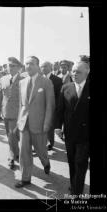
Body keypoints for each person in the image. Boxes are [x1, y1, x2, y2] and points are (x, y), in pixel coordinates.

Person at [15, 56, 55, 188]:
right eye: (26, 64)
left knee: (41, 150)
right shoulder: (22, 82)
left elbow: (50, 105)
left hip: (39, 124)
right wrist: (18, 121)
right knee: (24, 151)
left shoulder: (46, 82)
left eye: (31, 63)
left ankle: (46, 163)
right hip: (24, 123)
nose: (28, 66)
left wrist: (47, 124)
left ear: (38, 66)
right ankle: (25, 178)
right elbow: (21, 104)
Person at [55, 61, 90, 195]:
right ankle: (74, 184)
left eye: (78, 72)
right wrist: (58, 127)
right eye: (74, 71)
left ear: (87, 72)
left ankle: (77, 192)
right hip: (69, 133)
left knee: (81, 163)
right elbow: (60, 110)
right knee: (71, 161)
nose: (75, 74)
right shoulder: (66, 87)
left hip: (85, 134)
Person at [0, 57, 24, 170]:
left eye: (13, 66)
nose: (10, 68)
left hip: (18, 113)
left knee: (13, 136)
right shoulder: (3, 79)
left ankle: (12, 156)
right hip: (5, 112)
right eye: (9, 66)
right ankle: (16, 154)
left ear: (19, 68)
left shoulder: (24, 79)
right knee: (10, 136)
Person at [41, 61, 63, 151]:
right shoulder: (39, 78)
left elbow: (59, 95)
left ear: (50, 67)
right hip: (39, 107)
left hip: (51, 107)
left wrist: (55, 107)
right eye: (41, 66)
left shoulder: (57, 80)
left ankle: (50, 143)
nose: (43, 68)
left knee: (49, 126)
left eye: (45, 66)